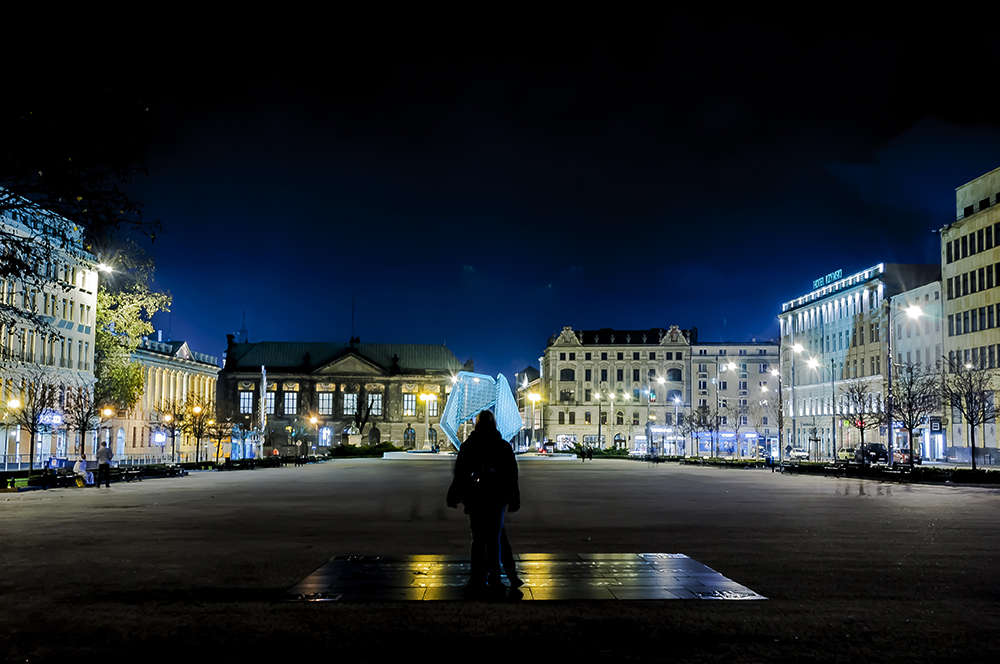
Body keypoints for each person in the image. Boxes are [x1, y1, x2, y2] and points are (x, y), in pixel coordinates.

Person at [447, 410, 521, 597]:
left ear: (477, 424)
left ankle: (476, 576)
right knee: (495, 538)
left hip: (476, 498)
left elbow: (460, 473)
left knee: (478, 539)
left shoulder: (469, 445)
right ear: (494, 423)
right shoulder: (503, 446)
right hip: (497, 497)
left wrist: (454, 495)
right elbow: (512, 475)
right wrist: (513, 498)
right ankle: (496, 576)